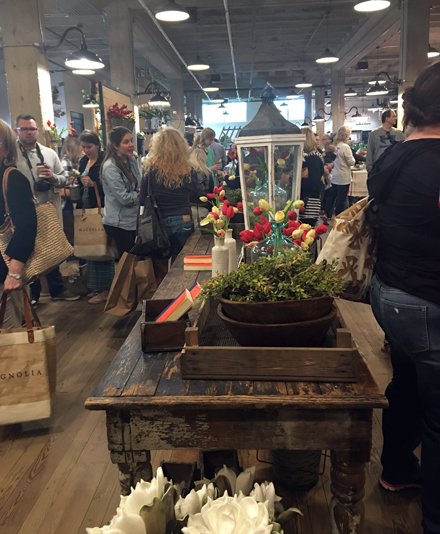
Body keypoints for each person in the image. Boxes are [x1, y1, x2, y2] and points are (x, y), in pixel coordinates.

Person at [368, 63, 440, 534]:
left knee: (407, 385)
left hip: (387, 295)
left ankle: (396, 469)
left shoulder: (392, 157)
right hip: (426, 302)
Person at [15, 114, 79, 306]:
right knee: (29, 252)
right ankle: (33, 294)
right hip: (23, 213)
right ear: (17, 131)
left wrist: (52, 177)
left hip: (49, 211)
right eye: (24, 129)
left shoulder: (49, 154)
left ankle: (57, 288)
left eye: (32, 129)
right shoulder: (12, 156)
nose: (28, 132)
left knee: (52, 250)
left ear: (37, 131)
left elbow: (65, 179)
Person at [140, 128, 205, 285]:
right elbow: (201, 195)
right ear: (180, 145)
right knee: (181, 265)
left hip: (158, 223)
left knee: (160, 265)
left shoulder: (150, 169)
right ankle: (179, 299)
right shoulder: (188, 170)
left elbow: (142, 200)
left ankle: (161, 300)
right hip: (183, 219)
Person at [0, 119, 37, 328]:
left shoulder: (12, 178)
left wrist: (14, 272)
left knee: (7, 338)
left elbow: (26, 227)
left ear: (6, 149)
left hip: (4, 272)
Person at [74, 130, 113, 305]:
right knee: (91, 248)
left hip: (102, 206)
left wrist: (94, 184)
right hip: (87, 206)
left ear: (97, 145)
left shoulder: (105, 161)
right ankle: (96, 286)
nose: (86, 150)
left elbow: (111, 184)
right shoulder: (83, 161)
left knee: (103, 248)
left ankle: (106, 289)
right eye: (83, 147)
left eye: (89, 147)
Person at [101, 127, 140, 257]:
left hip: (133, 219)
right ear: (115, 145)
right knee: (127, 264)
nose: (131, 145)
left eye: (131, 141)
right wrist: (138, 193)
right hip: (120, 223)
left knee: (137, 261)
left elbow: (139, 184)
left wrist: (137, 191)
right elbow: (124, 198)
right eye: (126, 142)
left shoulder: (131, 160)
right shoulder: (110, 167)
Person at [325, 125, 355, 217]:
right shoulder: (345, 147)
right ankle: (339, 216)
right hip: (343, 176)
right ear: (346, 135)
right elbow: (351, 162)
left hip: (334, 175)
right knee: (341, 199)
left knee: (332, 197)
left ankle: (326, 214)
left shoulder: (335, 146)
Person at [300, 128, 324, 227]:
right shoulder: (313, 156)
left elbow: (312, 181)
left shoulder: (313, 158)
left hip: (309, 203)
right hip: (309, 201)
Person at [60, 135, 81, 242]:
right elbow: (66, 183)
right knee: (72, 231)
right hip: (68, 203)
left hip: (70, 202)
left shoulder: (72, 162)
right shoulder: (66, 162)